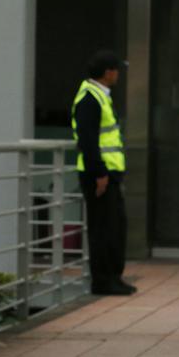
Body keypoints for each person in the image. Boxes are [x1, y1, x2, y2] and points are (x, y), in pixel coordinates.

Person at [72, 50, 136, 296]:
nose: (118, 73)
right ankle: (102, 281)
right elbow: (88, 141)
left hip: (109, 173)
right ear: (108, 72)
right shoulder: (90, 98)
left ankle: (114, 277)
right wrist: (100, 174)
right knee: (102, 229)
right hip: (99, 175)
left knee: (115, 226)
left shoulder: (100, 96)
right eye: (116, 69)